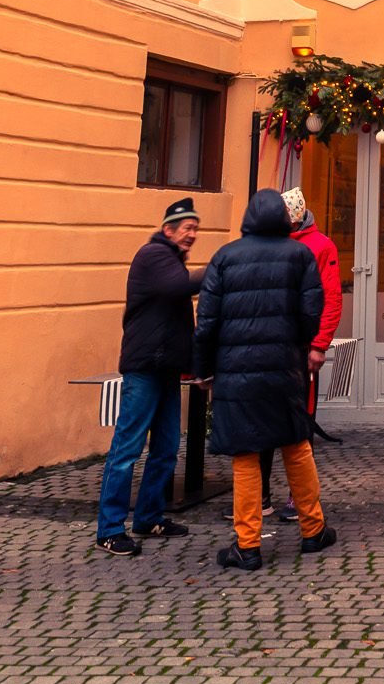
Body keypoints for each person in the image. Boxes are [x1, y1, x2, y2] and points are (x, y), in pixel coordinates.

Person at [193, 187, 335, 572]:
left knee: (245, 456)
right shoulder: (299, 255)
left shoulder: (225, 257)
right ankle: (313, 529)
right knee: (296, 447)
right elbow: (312, 311)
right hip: (285, 370)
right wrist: (301, 347)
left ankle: (248, 545)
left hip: (236, 374)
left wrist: (203, 370)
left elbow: (206, 322)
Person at [95, 196, 204, 556]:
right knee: (127, 448)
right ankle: (109, 529)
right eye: (187, 228)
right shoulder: (154, 255)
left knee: (166, 448)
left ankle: (148, 517)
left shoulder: (170, 260)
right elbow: (180, 286)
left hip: (166, 369)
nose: (192, 234)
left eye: (195, 229)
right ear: (168, 230)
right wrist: (222, 266)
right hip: (145, 369)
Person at [260, 186, 343, 524]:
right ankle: (261, 496)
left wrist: (320, 344)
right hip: (270, 346)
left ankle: (299, 498)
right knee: (264, 419)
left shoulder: (321, 246)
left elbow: (332, 297)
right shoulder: (271, 243)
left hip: (301, 349)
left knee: (301, 420)